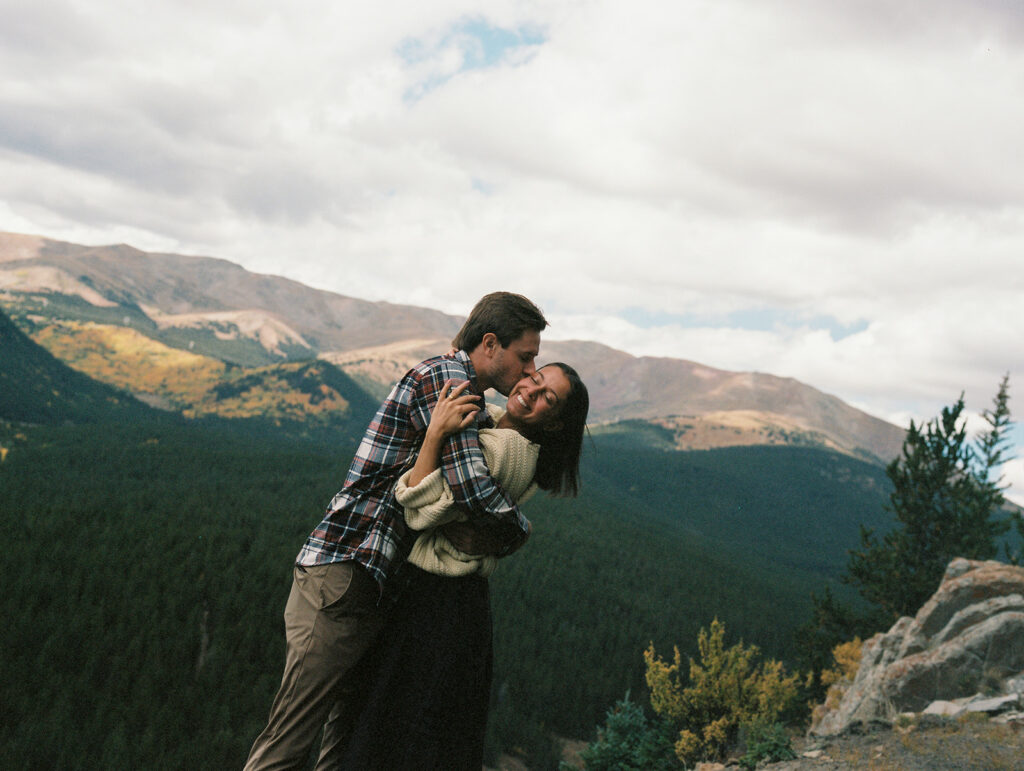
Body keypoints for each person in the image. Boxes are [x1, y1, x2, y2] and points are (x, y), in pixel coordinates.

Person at [244, 292, 548, 771]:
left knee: (342, 744)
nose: (531, 370)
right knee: (289, 741)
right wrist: (519, 530)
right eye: (525, 355)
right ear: (490, 344)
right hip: (343, 571)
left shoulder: (468, 393)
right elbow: (471, 488)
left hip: (370, 581)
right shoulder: (449, 381)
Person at [334, 362, 589, 770]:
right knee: (423, 735)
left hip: (434, 602)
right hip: (457, 605)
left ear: (556, 423)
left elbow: (419, 512)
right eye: (536, 378)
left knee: (391, 731)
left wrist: (435, 433)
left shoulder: (502, 449)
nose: (531, 391)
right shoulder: (512, 443)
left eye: (549, 399)